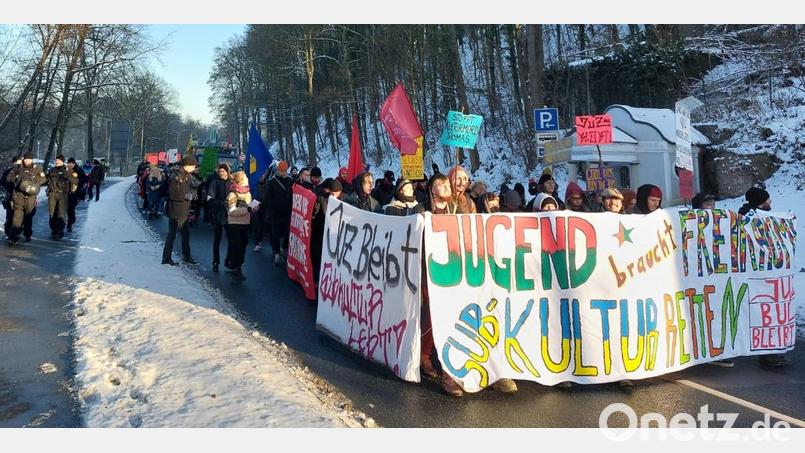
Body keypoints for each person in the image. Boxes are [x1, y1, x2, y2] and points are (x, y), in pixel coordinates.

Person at [161, 156, 198, 265]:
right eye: (193, 166)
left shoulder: (187, 176)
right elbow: (173, 194)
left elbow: (190, 189)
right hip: (175, 209)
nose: (194, 168)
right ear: (187, 165)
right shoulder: (176, 176)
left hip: (183, 209)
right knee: (172, 235)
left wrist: (191, 195)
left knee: (185, 235)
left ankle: (187, 256)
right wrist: (188, 196)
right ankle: (166, 258)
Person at [5, 152, 46, 245]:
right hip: (19, 195)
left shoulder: (37, 169)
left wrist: (35, 184)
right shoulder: (17, 167)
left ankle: (27, 234)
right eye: (26, 159)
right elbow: (8, 178)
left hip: (31, 197)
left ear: (32, 160)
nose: (28, 161)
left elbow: (43, 179)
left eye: (29, 159)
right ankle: (13, 237)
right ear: (24, 159)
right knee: (17, 217)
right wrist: (15, 180)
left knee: (28, 216)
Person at [311, 178, 342, 280]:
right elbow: (316, 215)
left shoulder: (345, 201)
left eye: (336, 193)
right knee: (318, 257)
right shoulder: (322, 198)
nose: (333, 196)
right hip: (321, 233)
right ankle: (317, 279)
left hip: (336, 236)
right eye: (332, 193)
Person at [224, 171, 253, 281]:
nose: (247, 179)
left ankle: (234, 265)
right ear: (239, 181)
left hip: (245, 223)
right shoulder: (232, 194)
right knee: (237, 248)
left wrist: (254, 208)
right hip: (234, 224)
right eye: (245, 177)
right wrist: (247, 209)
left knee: (243, 246)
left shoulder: (248, 193)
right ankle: (236, 270)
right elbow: (231, 211)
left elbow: (249, 207)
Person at [265, 161, 294, 265]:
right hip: (275, 212)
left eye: (283, 171)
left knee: (287, 233)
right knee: (275, 234)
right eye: (280, 171)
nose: (281, 173)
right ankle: (276, 253)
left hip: (287, 212)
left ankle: (283, 248)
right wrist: (270, 207)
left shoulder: (291, 181)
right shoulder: (272, 182)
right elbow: (268, 197)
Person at [45, 154, 77, 239]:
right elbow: (45, 180)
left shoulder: (68, 170)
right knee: (52, 213)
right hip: (52, 194)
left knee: (61, 213)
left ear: (63, 161)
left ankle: (60, 231)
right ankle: (53, 230)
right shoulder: (51, 170)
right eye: (56, 160)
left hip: (63, 194)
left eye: (59, 160)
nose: (57, 161)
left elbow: (75, 181)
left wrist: (68, 177)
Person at [206, 164, 231, 272]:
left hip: (230, 214)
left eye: (223, 171)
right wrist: (221, 204)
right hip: (218, 214)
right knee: (217, 239)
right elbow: (209, 198)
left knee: (231, 239)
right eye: (220, 171)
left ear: (227, 172)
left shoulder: (232, 182)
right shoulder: (215, 182)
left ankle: (228, 260)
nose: (221, 173)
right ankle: (215, 262)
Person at [2, 156, 21, 237]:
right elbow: (2, 182)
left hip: (19, 197)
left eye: (18, 162)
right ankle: (9, 232)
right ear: (13, 163)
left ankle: (15, 232)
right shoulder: (8, 171)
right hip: (10, 197)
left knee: (17, 216)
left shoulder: (23, 172)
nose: (17, 164)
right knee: (10, 215)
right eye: (16, 162)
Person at [66, 158, 86, 232]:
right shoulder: (66, 170)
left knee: (71, 209)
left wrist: (77, 181)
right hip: (65, 192)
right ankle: (66, 222)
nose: (71, 165)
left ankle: (70, 223)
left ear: (74, 163)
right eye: (69, 163)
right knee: (65, 209)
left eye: (72, 163)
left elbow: (85, 179)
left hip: (75, 193)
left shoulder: (79, 170)